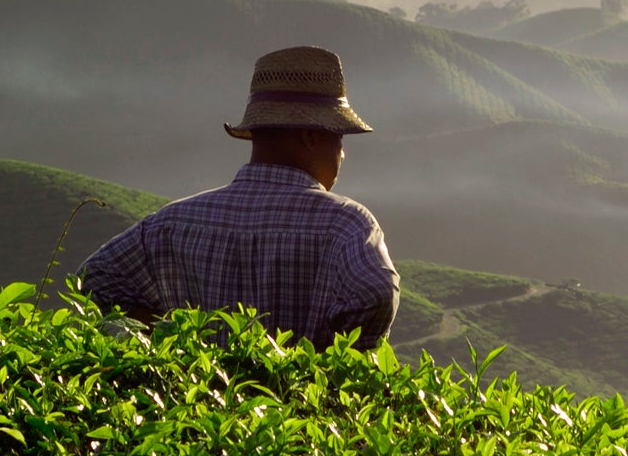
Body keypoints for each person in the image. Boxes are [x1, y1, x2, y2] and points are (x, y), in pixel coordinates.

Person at [80, 45, 401, 349]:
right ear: (311, 137)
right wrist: (328, 361)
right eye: (339, 139)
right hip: (300, 404)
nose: (342, 155)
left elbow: (95, 279)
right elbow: (375, 293)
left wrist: (173, 339)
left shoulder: (172, 223)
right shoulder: (346, 225)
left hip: (196, 404)